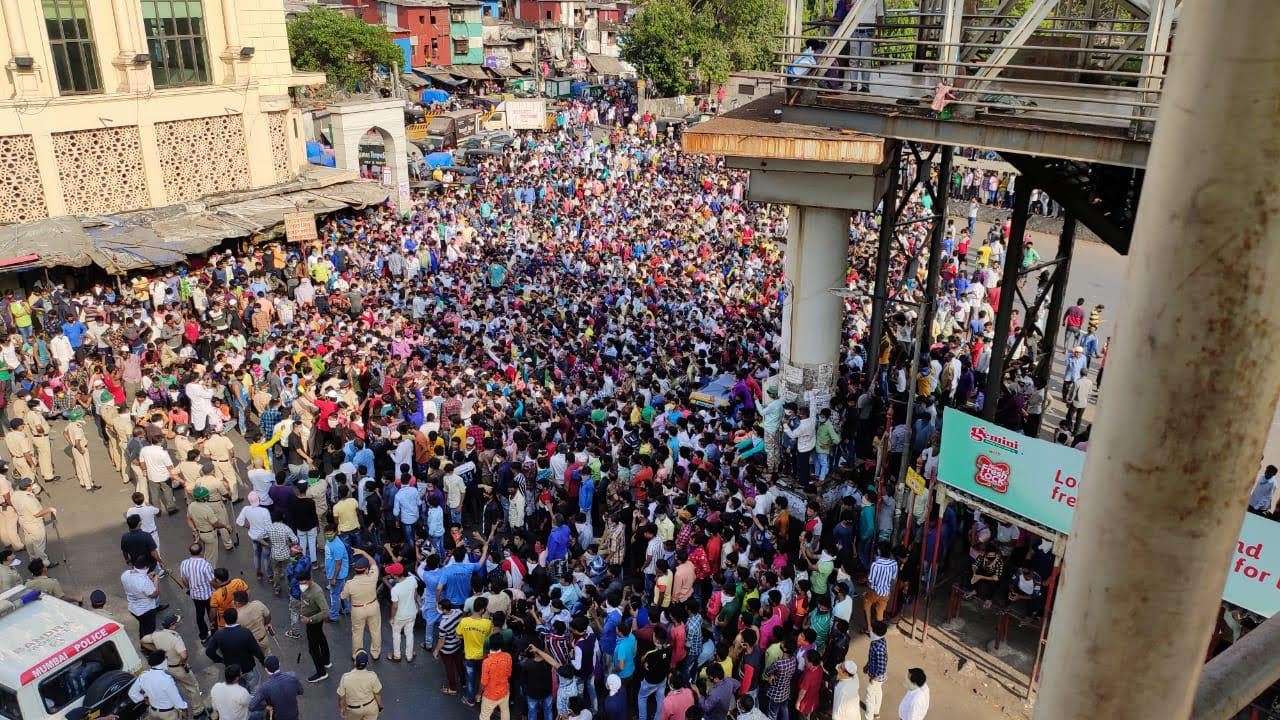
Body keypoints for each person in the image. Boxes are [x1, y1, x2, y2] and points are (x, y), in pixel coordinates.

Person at [141, 614, 206, 718]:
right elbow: (184, 654)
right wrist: (183, 662)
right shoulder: (175, 637)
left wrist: (157, 650)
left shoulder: (157, 634)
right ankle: (198, 710)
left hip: (166, 667)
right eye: (177, 622)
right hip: (178, 667)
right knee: (192, 687)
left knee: (171, 687)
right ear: (172, 625)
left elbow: (144, 640)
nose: (178, 623)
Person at [206, 608, 266, 692]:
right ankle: (252, 702)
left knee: (236, 691)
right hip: (248, 667)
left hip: (231, 670)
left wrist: (221, 660)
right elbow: (256, 650)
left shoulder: (219, 635)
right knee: (254, 688)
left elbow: (209, 652)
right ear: (236, 617)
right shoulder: (245, 632)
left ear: (224, 619)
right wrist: (263, 661)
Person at [341, 548, 382, 660]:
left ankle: (356, 654)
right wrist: (363, 552)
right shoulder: (373, 576)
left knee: (357, 633)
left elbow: (343, 596)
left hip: (358, 609)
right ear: (366, 570)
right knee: (375, 630)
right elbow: (373, 562)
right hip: (373, 606)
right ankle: (375, 653)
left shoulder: (350, 584)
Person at [128, 649, 189, 720]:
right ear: (162, 661)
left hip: (153, 712)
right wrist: (184, 708)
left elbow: (132, 693)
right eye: (166, 658)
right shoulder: (166, 679)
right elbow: (176, 698)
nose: (167, 660)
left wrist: (143, 698)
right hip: (168, 714)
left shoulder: (143, 676)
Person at [297, 569, 333, 682]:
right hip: (310, 620)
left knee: (313, 649)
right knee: (321, 639)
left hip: (314, 622)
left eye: (304, 583)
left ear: (310, 580)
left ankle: (321, 672)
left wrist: (310, 619)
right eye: (300, 583)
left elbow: (325, 611)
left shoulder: (316, 592)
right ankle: (326, 661)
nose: (301, 585)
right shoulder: (306, 588)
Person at [458, 595, 493, 706]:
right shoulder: (487, 623)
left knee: (471, 680)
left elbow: (458, 635)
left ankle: (470, 700)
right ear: (482, 609)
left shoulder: (464, 622)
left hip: (469, 656)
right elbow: (489, 637)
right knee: (483, 678)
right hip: (483, 657)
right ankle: (482, 696)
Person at [250, 655, 304, 720]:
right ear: (279, 664)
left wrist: (266, 706)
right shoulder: (292, 676)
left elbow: (251, 706)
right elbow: (301, 691)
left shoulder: (265, 687)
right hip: (294, 715)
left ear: (266, 669)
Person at [122, 555, 163, 638]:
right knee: (149, 631)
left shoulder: (125, 574)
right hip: (146, 610)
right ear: (146, 566)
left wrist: (147, 577)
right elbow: (154, 594)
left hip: (133, 608)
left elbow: (137, 582)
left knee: (142, 626)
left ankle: (143, 643)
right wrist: (156, 581)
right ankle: (149, 648)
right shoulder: (144, 582)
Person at [336, 650, 383, 720]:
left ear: (355, 662)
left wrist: (342, 708)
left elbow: (341, 696)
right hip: (370, 707)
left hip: (354, 710)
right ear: (367, 663)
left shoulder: (346, 677)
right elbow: (377, 694)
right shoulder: (372, 676)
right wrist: (380, 706)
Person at [387, 562, 419, 662]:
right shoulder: (412, 579)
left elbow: (395, 606)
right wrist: (417, 606)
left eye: (391, 573)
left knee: (396, 634)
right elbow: (415, 595)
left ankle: (397, 656)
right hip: (412, 612)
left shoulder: (395, 589)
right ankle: (409, 656)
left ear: (395, 575)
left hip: (400, 616)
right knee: (409, 633)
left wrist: (392, 618)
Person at [864, 542, 897, 631]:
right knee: (880, 612)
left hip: (874, 592)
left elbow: (870, 581)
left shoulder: (875, 564)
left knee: (867, 606)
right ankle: (878, 630)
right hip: (886, 593)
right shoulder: (894, 563)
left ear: (879, 551)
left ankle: (869, 627)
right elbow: (893, 580)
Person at [479, 635, 513, 720]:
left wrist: (479, 694)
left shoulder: (487, 662)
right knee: (505, 711)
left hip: (490, 694)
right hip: (504, 691)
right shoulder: (508, 656)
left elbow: (484, 682)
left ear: (490, 645)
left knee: (484, 716)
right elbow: (509, 674)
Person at [863, 620, 889, 720]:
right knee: (878, 692)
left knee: (869, 697)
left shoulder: (878, 647)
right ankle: (876, 713)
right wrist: (867, 665)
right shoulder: (880, 640)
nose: (870, 630)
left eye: (872, 629)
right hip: (878, 676)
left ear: (875, 632)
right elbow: (873, 658)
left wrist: (873, 677)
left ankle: (868, 717)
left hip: (876, 677)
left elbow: (881, 667)